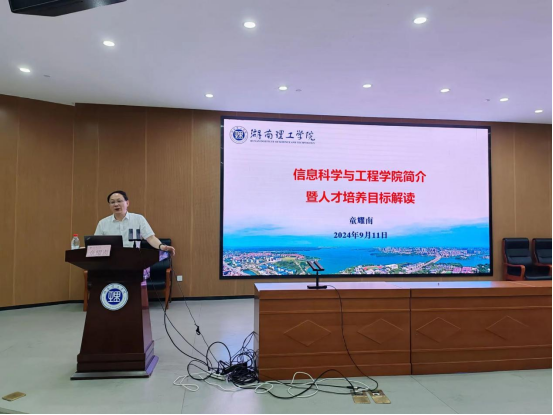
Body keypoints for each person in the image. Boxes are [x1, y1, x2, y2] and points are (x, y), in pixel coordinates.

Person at [95, 190, 176, 256]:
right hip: (111, 260)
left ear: (127, 203)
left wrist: (162, 246)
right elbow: (96, 244)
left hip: (134, 258)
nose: (116, 204)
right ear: (109, 205)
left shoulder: (138, 219)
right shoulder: (103, 223)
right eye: (112, 202)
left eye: (119, 201)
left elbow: (150, 238)